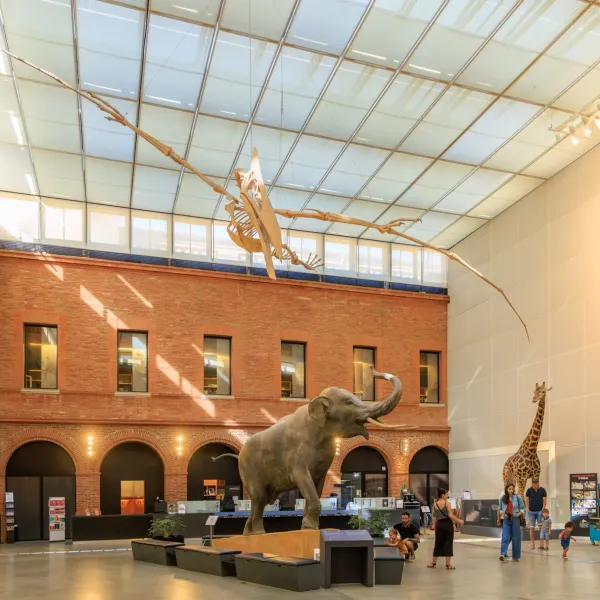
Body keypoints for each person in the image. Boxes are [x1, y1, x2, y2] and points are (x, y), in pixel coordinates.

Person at [427, 488, 464, 570]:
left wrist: (435, 528)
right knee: (448, 543)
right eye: (446, 494)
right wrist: (459, 521)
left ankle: (433, 563)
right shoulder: (447, 504)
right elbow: (450, 515)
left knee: (437, 543)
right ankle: (448, 564)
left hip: (439, 525)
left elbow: (434, 518)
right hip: (447, 524)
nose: (447, 495)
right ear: (443, 495)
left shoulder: (435, 505)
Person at [497, 482, 525, 562]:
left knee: (516, 538)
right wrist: (503, 514)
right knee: (505, 536)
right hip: (506, 519)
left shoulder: (518, 497)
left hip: (515, 519)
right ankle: (503, 554)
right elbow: (500, 509)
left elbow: (523, 508)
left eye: (512, 489)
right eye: (509, 489)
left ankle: (516, 556)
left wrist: (519, 514)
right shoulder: (502, 498)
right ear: (506, 489)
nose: (511, 490)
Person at [525, 478, 547, 549]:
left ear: (538, 483)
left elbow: (545, 500)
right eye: (534, 483)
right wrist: (527, 508)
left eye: (536, 483)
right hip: (531, 512)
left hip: (539, 511)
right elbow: (526, 499)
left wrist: (543, 509)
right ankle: (532, 543)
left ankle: (541, 544)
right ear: (532, 483)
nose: (535, 484)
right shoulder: (529, 490)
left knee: (541, 528)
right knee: (532, 528)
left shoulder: (543, 490)